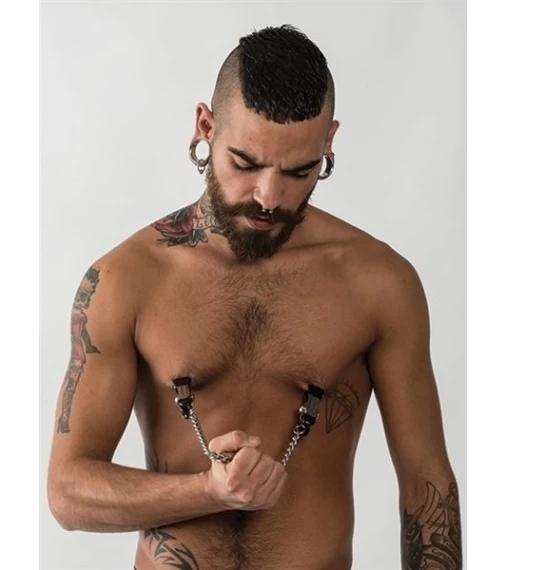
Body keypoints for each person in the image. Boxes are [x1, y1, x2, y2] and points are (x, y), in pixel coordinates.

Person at [47, 24, 463, 570]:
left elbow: (426, 482)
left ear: (329, 142)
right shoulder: (126, 279)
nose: (269, 196)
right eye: (245, 163)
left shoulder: (379, 284)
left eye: (299, 171)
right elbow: (69, 493)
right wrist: (207, 491)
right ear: (206, 126)